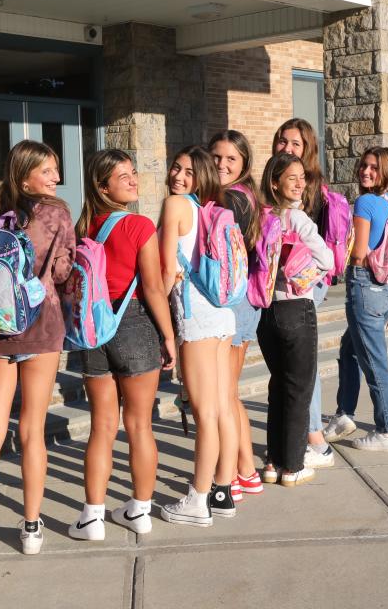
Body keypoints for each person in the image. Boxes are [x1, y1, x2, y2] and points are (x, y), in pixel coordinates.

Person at [0, 140, 75, 560]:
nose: (56, 179)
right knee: (32, 430)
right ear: (25, 172)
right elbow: (63, 270)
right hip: (41, 324)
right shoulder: (56, 211)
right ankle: (31, 527)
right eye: (47, 171)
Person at [69, 149, 176, 540]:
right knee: (139, 425)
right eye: (122, 176)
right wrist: (168, 335)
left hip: (94, 328)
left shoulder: (85, 225)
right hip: (132, 321)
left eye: (133, 172)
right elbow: (152, 287)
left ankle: (92, 517)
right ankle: (139, 511)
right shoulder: (139, 226)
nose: (133, 179)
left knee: (102, 426)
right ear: (103, 186)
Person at [159, 145, 238, 526]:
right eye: (176, 168)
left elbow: (162, 275)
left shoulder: (175, 206)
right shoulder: (207, 210)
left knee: (205, 412)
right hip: (222, 314)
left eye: (188, 172)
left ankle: (197, 499)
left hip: (196, 317)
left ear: (201, 176)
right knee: (222, 408)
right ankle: (222, 491)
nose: (178, 176)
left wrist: (165, 327)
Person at [257, 153, 333, 486]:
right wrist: (307, 272)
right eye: (292, 178)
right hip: (297, 307)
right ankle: (292, 465)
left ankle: (273, 461)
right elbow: (327, 259)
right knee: (299, 390)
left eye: (302, 177)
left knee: (278, 386)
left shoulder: (260, 219)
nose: (300, 183)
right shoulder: (298, 220)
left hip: (267, 310)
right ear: (275, 182)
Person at [324, 146, 388, 452]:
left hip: (366, 287)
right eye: (364, 166)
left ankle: (386, 431)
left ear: (385, 173)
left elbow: (359, 251)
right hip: (387, 291)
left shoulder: (366, 201)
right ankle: (344, 414)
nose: (366, 172)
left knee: (375, 362)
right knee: (350, 350)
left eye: (374, 168)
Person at [271, 118, 335, 467]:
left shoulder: (308, 192)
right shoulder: (277, 193)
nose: (287, 147)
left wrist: (308, 279)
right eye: (282, 141)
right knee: (294, 370)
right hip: (280, 292)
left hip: (302, 290)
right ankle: (304, 438)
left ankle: (314, 439)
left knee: (302, 370)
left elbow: (324, 254)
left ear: (307, 148)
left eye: (295, 143)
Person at [209, 130, 266, 500]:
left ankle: (227, 474)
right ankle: (246, 470)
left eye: (231, 159)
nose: (222, 165)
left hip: (232, 304)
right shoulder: (248, 198)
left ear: (244, 164)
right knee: (229, 394)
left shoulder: (230, 200)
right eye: (216, 157)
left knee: (221, 396)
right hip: (245, 303)